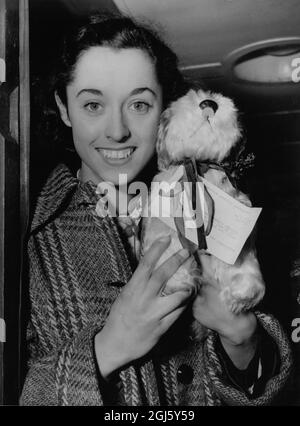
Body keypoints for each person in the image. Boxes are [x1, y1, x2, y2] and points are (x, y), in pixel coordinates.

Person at [20, 13, 293, 406]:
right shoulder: (24, 231)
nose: (117, 131)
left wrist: (243, 339)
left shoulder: (207, 202)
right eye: (93, 105)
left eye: (140, 104)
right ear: (64, 108)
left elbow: (259, 383)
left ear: (165, 105)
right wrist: (107, 347)